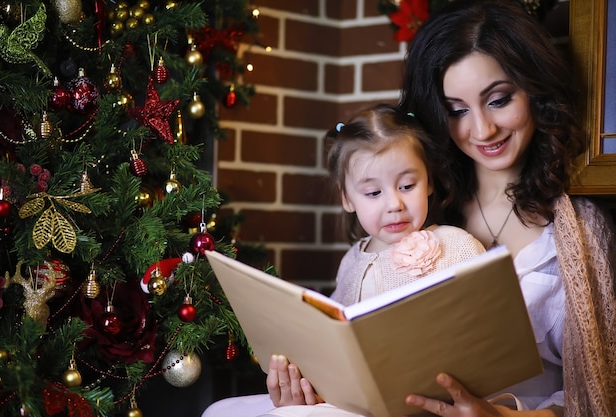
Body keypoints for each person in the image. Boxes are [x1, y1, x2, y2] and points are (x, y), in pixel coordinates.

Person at [204, 1, 616, 416]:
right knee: (225, 411)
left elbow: (594, 392)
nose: (481, 130)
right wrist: (313, 382)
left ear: (535, 91)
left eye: (498, 100)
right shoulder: (416, 208)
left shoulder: (578, 232)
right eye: (457, 110)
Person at [201, 103, 486, 417]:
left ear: (429, 183)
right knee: (220, 410)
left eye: (407, 186)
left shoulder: (456, 246)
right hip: (354, 400)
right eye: (373, 193)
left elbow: (487, 330)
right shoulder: (352, 260)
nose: (395, 204)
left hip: (426, 403)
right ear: (347, 198)